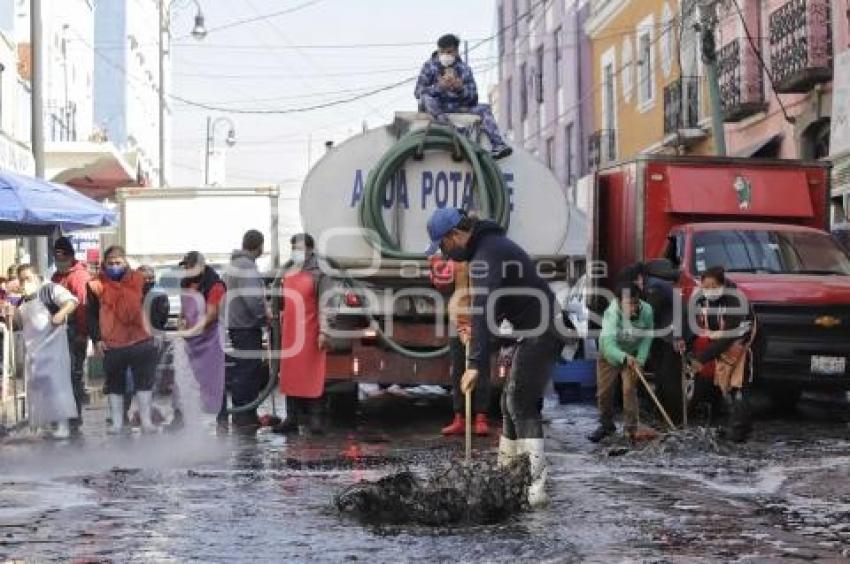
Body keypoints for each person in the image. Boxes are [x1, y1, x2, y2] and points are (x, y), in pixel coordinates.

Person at [426, 207, 562, 507]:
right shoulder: (488, 248)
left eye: (443, 246)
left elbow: (485, 306)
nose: (445, 254)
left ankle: (535, 488)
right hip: (532, 328)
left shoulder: (488, 253)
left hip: (544, 329)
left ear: (455, 235)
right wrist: (476, 338)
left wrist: (474, 363)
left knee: (519, 402)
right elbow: (497, 307)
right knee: (508, 402)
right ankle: (508, 475)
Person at [87, 246, 158, 434]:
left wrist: (156, 330)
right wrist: (97, 338)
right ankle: (117, 423)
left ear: (125, 262)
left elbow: (154, 304)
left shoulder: (140, 279)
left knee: (144, 381)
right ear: (104, 264)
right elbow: (91, 315)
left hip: (141, 339)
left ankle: (146, 421)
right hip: (112, 342)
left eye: (118, 262)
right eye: (110, 263)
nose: (114, 266)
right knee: (114, 383)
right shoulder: (95, 285)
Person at [272, 233, 335, 436]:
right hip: (290, 332)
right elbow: (279, 301)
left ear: (309, 249)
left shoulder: (320, 272)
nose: (295, 251)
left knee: (312, 375)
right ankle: (291, 418)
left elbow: (326, 303)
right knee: (290, 376)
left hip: (311, 332)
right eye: (293, 247)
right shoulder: (288, 270)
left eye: (299, 247)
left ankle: (316, 419)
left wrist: (324, 331)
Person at [415, 33, 512, 160]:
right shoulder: (429, 66)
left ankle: (498, 145)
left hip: (457, 107)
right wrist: (439, 87)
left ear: (456, 51)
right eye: (441, 52)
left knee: (484, 108)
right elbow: (418, 92)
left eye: (449, 52)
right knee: (427, 99)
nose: (445, 55)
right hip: (436, 108)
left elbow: (473, 98)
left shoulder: (464, 69)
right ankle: (450, 130)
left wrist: (460, 89)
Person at [686, 266, 755, 442]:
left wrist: (702, 358)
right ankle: (727, 423)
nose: (709, 291)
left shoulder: (735, 301)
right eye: (705, 286)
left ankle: (739, 432)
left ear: (723, 285)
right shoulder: (700, 298)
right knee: (721, 381)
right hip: (720, 342)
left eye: (713, 286)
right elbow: (692, 323)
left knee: (738, 385)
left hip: (744, 343)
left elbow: (729, 337)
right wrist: (684, 341)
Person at [14, 265, 79, 439]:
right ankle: (42, 425)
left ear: (36, 276)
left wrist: (61, 314)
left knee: (57, 386)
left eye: (28, 278)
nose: (24, 283)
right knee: (37, 388)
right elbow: (19, 324)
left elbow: (72, 301)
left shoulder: (50, 290)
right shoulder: (23, 301)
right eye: (21, 279)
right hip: (34, 352)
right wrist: (10, 314)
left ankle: (63, 424)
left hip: (54, 347)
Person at [429, 256, 490, 437]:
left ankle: (481, 417)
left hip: (481, 318)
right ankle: (459, 418)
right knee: (457, 367)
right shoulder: (453, 256)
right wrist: (438, 269)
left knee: (480, 366)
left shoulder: (483, 253)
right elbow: (444, 285)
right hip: (458, 318)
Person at [588, 282, 654, 443]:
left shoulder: (647, 311)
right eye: (627, 304)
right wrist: (624, 357)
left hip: (633, 355)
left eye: (634, 303)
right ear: (619, 302)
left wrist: (640, 359)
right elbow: (609, 345)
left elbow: (647, 336)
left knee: (629, 390)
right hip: (610, 355)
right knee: (605, 392)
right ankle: (606, 425)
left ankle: (631, 429)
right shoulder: (611, 314)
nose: (631, 308)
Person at [168, 252, 226, 431]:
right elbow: (184, 310)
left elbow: (211, 314)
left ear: (201, 266)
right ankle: (179, 417)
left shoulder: (215, 285)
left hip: (211, 340)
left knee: (214, 380)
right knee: (182, 377)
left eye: (190, 266)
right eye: (185, 267)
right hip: (190, 340)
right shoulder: (186, 283)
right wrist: (181, 322)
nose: (186, 270)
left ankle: (221, 418)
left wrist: (193, 330)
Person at [221, 230, 269, 431]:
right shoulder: (246, 266)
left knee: (244, 369)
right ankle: (244, 415)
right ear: (259, 246)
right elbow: (253, 298)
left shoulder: (235, 264)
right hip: (246, 326)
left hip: (236, 325)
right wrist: (263, 316)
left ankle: (245, 413)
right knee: (248, 371)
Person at [51, 236, 91, 434]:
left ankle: (74, 417)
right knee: (60, 377)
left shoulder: (79, 276)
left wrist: (83, 334)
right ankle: (63, 415)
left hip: (75, 332)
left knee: (73, 376)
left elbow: (83, 307)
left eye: (63, 255)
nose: (59, 259)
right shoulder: (57, 276)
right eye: (56, 255)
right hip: (58, 333)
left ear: (71, 256)